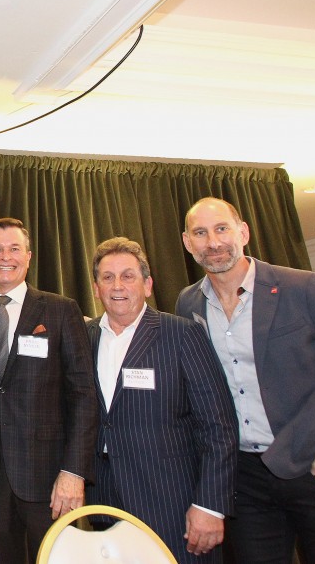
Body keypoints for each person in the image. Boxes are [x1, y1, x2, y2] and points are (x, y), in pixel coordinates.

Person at [178, 197, 315, 563]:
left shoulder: (305, 289)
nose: (214, 242)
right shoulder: (188, 305)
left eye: (222, 229)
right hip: (244, 479)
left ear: (244, 232)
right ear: (188, 243)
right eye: (201, 233)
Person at [87, 237, 237, 563]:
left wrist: (210, 505)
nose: (118, 285)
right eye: (107, 277)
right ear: (96, 288)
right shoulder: (83, 339)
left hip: (172, 502)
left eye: (128, 276)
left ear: (148, 284)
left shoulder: (181, 334)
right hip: (104, 503)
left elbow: (218, 426)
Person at [0, 218, 97, 564]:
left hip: (49, 479)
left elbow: (84, 395)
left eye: (15, 249)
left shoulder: (60, 310)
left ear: (28, 257)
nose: (6, 257)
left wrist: (74, 472)